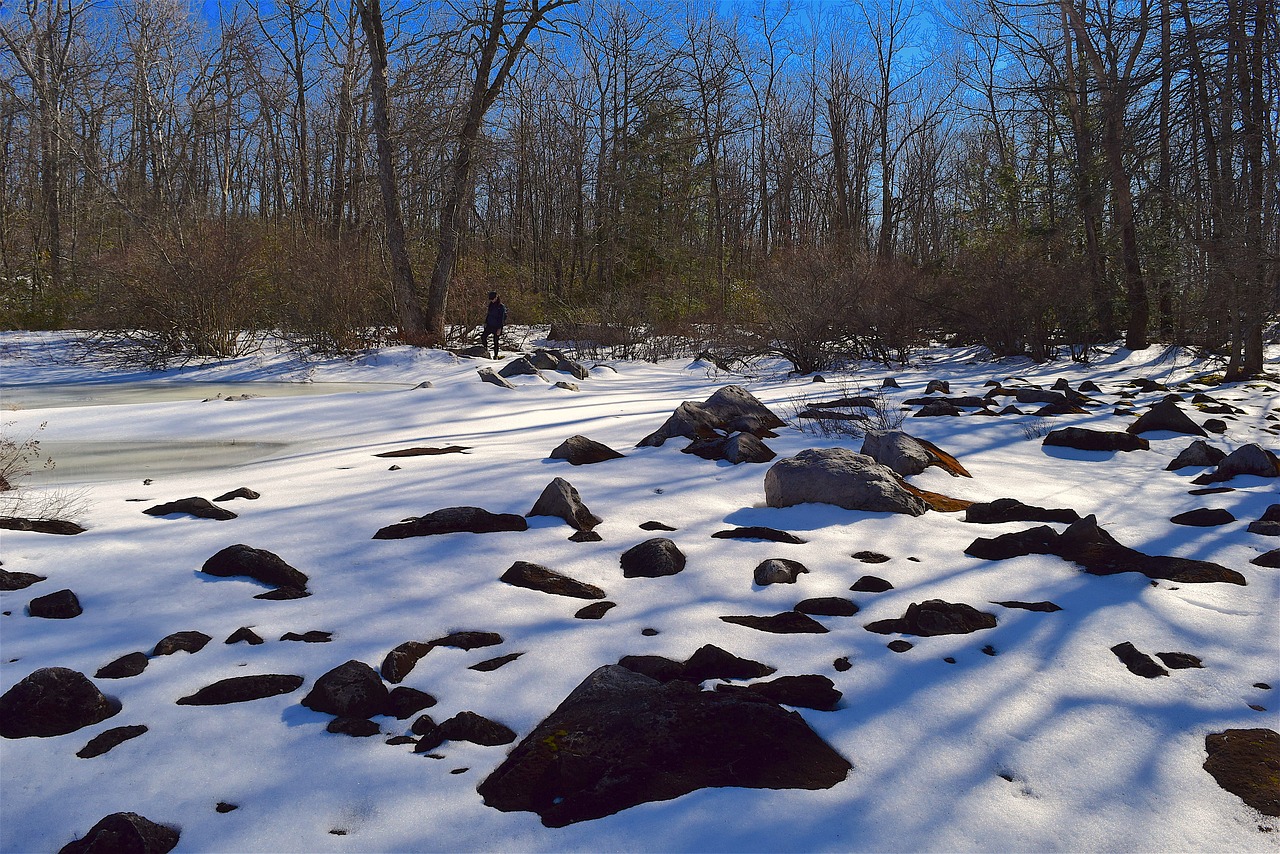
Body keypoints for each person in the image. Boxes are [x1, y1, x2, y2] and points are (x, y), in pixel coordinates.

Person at [482, 290, 507, 359]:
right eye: (491, 299)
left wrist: (499, 328)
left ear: (496, 298)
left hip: (497, 327)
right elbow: (488, 315)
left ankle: (495, 355)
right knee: (483, 337)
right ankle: (485, 350)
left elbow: (502, 319)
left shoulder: (501, 307)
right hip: (490, 325)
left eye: (493, 299)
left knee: (495, 341)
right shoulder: (491, 305)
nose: (492, 300)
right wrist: (486, 322)